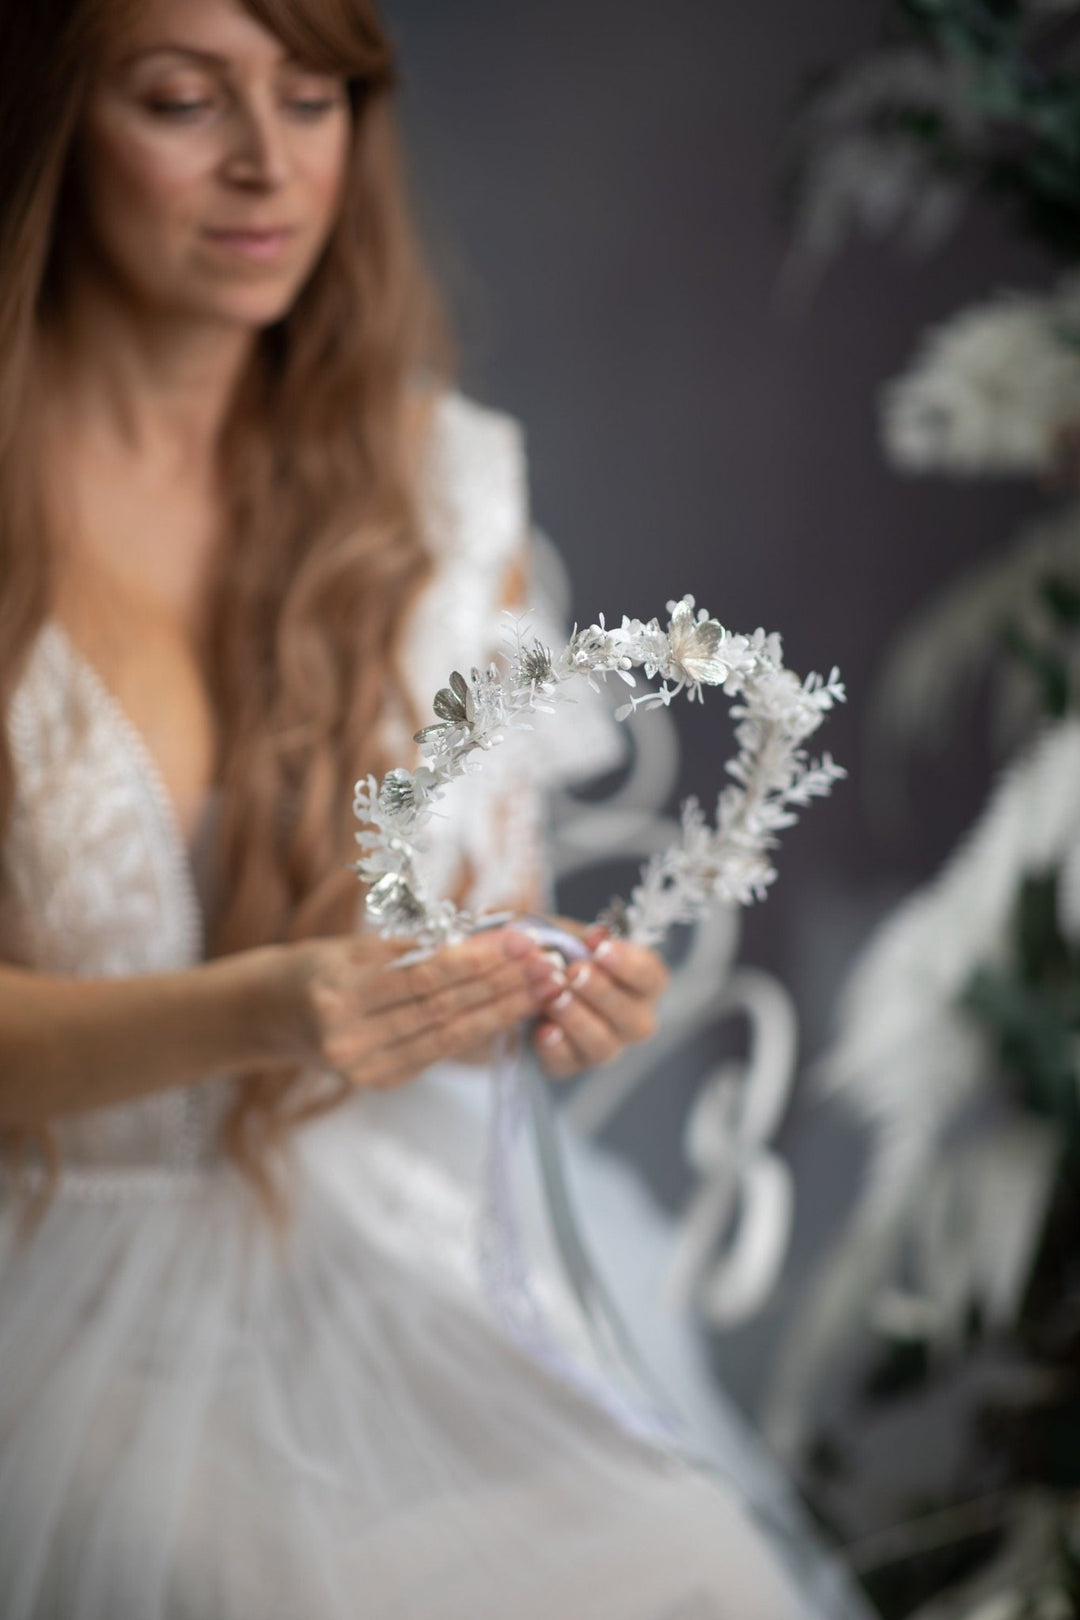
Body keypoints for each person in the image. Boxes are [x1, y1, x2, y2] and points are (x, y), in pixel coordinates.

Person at [0, 1, 861, 1615]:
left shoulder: (436, 488)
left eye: (315, 99)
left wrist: (540, 992)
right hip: (44, 1263)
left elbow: (480, 923)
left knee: (689, 1569)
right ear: (48, 120)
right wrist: (256, 1011)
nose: (266, 165)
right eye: (183, 100)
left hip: (374, 1233)